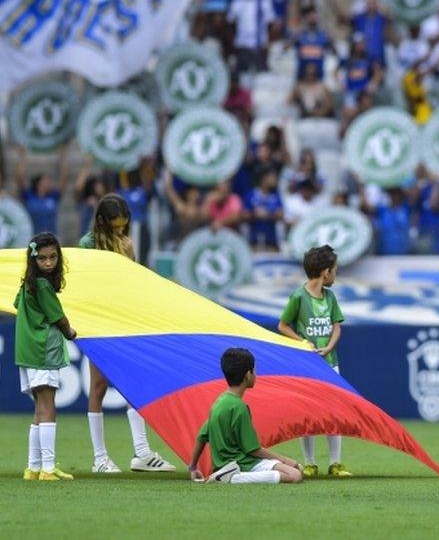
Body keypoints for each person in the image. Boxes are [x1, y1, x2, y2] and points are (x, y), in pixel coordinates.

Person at [79, 195, 177, 473]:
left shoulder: (127, 245)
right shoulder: (88, 244)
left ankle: (142, 454)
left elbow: (131, 284)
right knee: (98, 386)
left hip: (124, 321)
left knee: (134, 383)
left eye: (124, 226)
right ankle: (100, 458)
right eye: (116, 226)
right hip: (97, 321)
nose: (120, 231)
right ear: (102, 222)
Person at [277, 245, 349, 477]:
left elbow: (337, 325)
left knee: (334, 412)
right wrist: (302, 343)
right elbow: (282, 325)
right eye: (335, 270)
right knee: (306, 413)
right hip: (306, 365)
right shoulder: (298, 296)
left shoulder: (330, 297)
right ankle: (309, 462)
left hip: (330, 362)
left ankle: (335, 463)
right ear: (325, 272)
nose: (336, 274)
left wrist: (329, 346)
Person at [188, 348, 303, 484]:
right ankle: (234, 478)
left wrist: (192, 467)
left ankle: (227, 475)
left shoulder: (219, 403)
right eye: (254, 370)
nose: (256, 374)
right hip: (243, 464)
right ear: (248, 374)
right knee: (295, 474)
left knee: (298, 469)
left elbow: (201, 438)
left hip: (229, 465)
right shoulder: (239, 407)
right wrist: (284, 460)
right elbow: (253, 450)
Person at [17, 232, 76, 481]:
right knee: (48, 406)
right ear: (34, 259)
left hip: (27, 350)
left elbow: (17, 304)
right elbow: (58, 318)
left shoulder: (27, 284)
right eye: (42, 258)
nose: (49, 263)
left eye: (53, 257)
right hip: (43, 350)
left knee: (39, 408)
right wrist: (70, 332)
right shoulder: (42, 285)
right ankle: (48, 468)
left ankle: (33, 467)